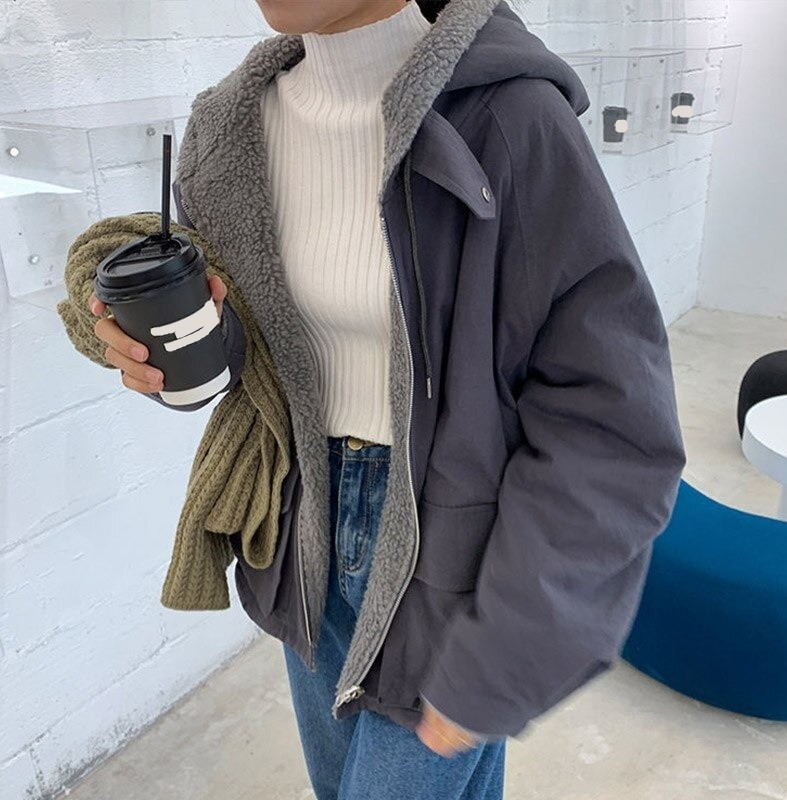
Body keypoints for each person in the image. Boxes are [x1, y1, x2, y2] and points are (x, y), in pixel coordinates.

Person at [88, 0, 687, 797]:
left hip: (456, 551)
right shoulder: (229, 132)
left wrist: (515, 639)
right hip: (302, 533)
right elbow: (259, 363)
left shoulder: (510, 121)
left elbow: (610, 414)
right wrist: (156, 349)